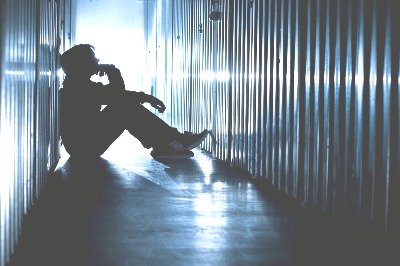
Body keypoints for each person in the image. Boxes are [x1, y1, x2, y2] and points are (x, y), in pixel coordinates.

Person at [59, 44, 208, 160]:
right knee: (125, 108)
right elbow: (118, 95)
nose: (98, 61)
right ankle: (172, 141)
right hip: (84, 148)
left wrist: (148, 98)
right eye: (93, 58)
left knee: (124, 106)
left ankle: (165, 143)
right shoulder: (77, 88)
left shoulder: (78, 84)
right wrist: (113, 71)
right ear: (82, 63)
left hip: (83, 146)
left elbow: (116, 95)